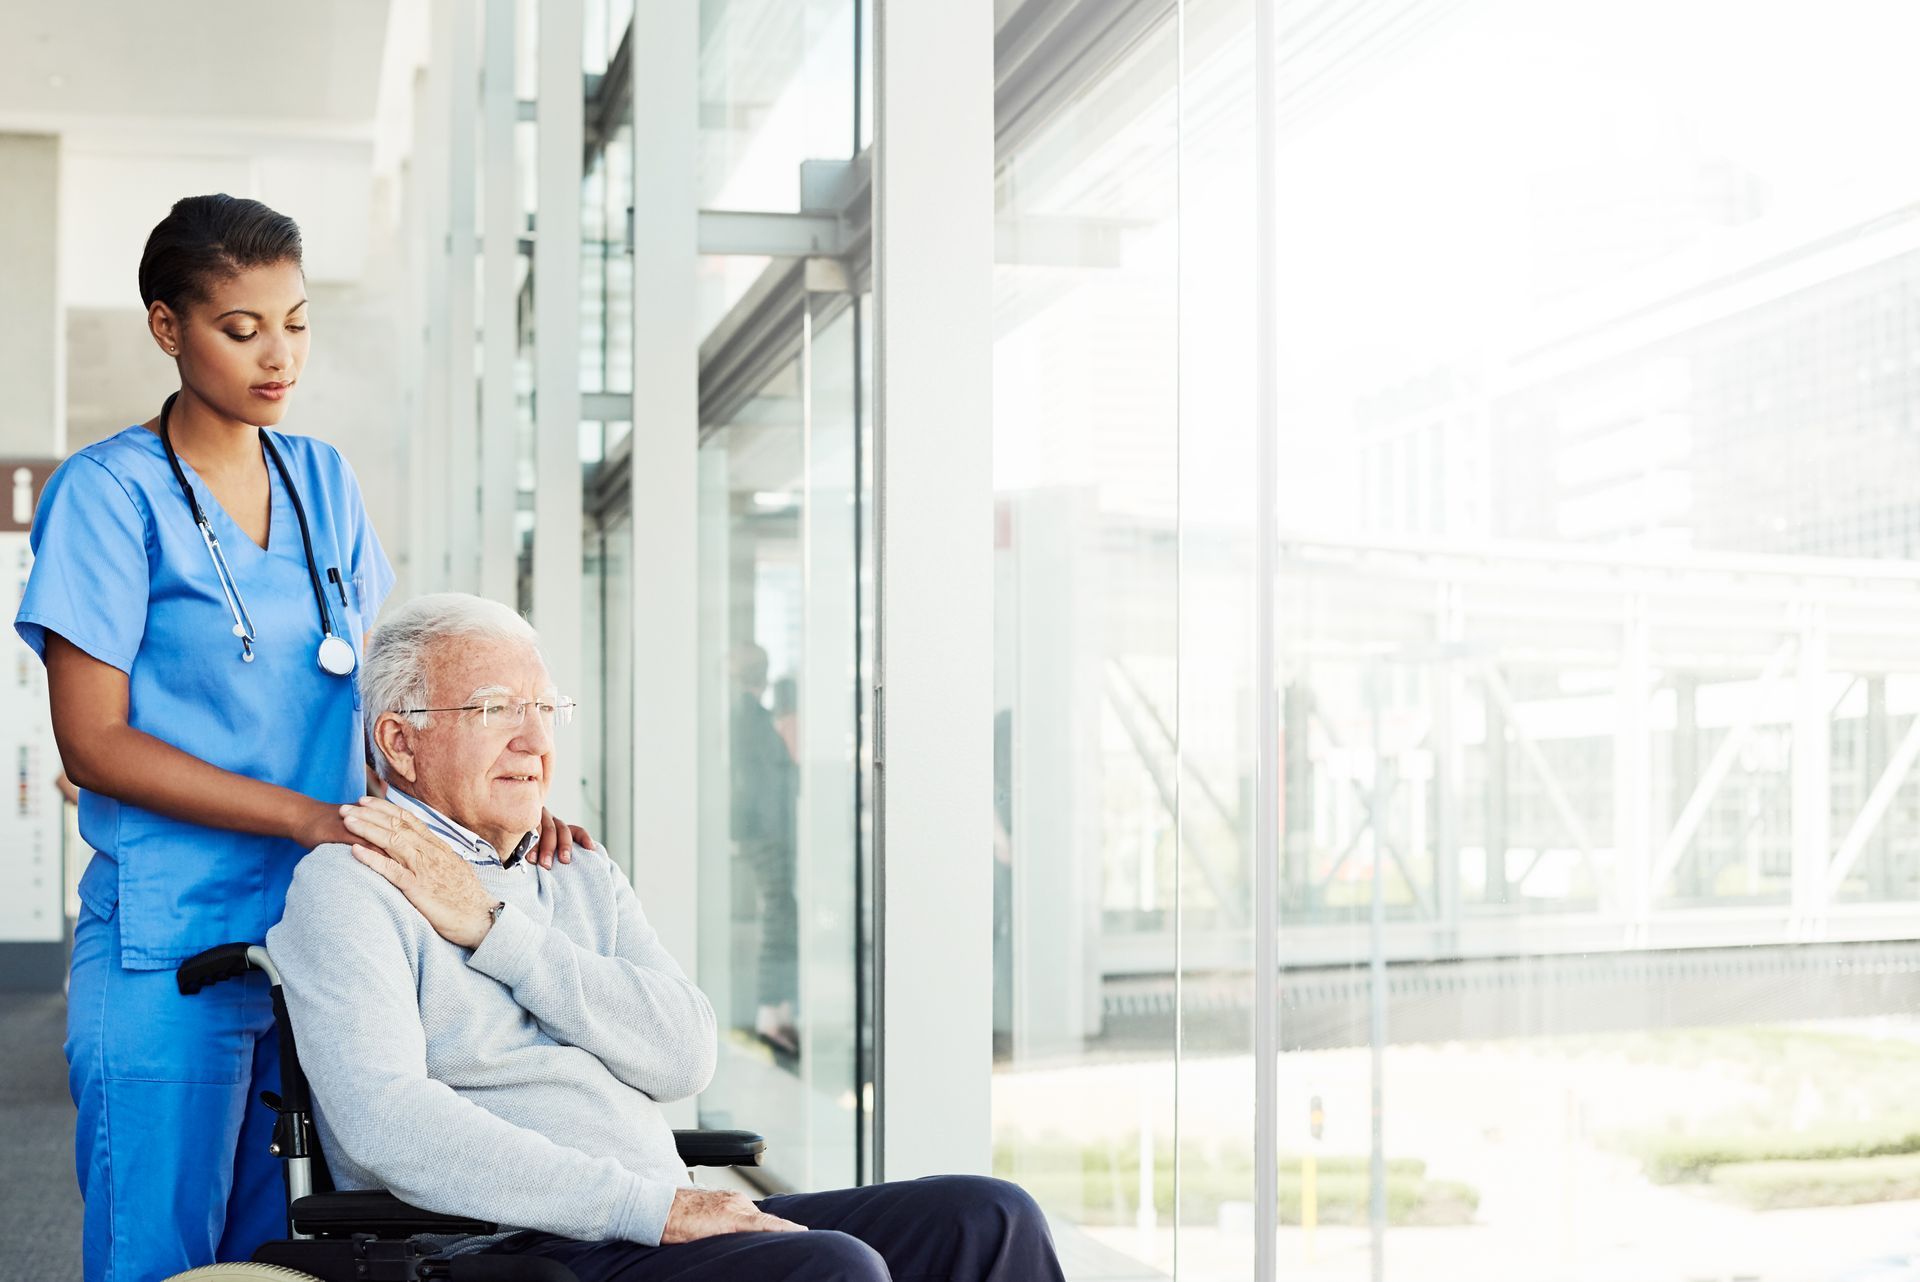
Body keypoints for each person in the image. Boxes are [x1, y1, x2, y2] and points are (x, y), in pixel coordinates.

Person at [14, 195, 585, 1282]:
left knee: (281, 1257)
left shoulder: (323, 479)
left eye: (298, 321)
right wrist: (306, 816)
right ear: (167, 327)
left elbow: (375, 709)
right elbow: (93, 744)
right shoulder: (108, 495)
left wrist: (499, 807)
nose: (280, 355)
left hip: (327, 940)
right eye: (242, 327)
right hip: (170, 948)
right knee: (157, 1258)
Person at [267, 593, 1067, 1282]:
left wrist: (494, 928)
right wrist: (652, 1207)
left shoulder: (574, 866)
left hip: (647, 1220)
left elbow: (684, 1056)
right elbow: (387, 1130)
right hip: (514, 1245)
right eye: (492, 710)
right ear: (400, 742)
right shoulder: (348, 887)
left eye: (545, 710)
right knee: (834, 1270)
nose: (535, 740)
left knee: (988, 1217)